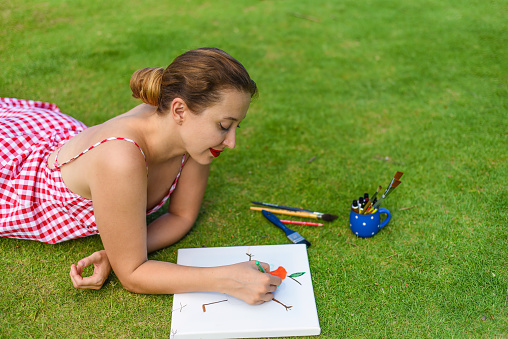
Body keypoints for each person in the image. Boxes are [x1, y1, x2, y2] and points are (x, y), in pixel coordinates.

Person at [0, 47, 281, 305]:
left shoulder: (195, 141)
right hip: (20, 183)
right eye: (224, 126)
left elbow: (181, 216)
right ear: (179, 110)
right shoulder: (120, 159)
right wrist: (227, 279)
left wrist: (117, 252)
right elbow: (133, 275)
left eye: (236, 127)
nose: (231, 142)